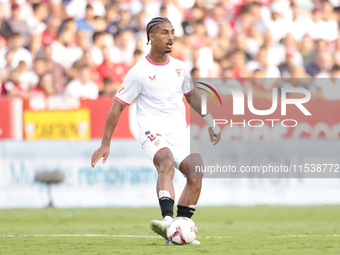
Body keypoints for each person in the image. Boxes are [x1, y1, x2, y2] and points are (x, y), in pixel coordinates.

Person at [90, 17, 221, 244]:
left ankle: (179, 230)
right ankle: (168, 221)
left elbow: (191, 96)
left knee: (196, 171)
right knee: (166, 162)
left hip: (178, 131)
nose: (170, 37)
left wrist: (211, 121)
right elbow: (117, 106)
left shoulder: (179, 67)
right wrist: (105, 143)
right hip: (152, 130)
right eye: (164, 33)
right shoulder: (139, 72)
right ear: (151, 37)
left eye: (172, 32)